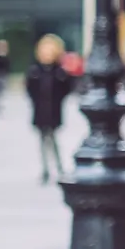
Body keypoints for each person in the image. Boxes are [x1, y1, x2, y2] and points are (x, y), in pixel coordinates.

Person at [26, 34, 74, 184]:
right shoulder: (35, 71)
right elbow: (30, 90)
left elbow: (66, 89)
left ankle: (59, 167)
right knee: (43, 139)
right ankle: (46, 169)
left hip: (54, 111)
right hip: (40, 111)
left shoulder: (59, 72)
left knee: (53, 139)